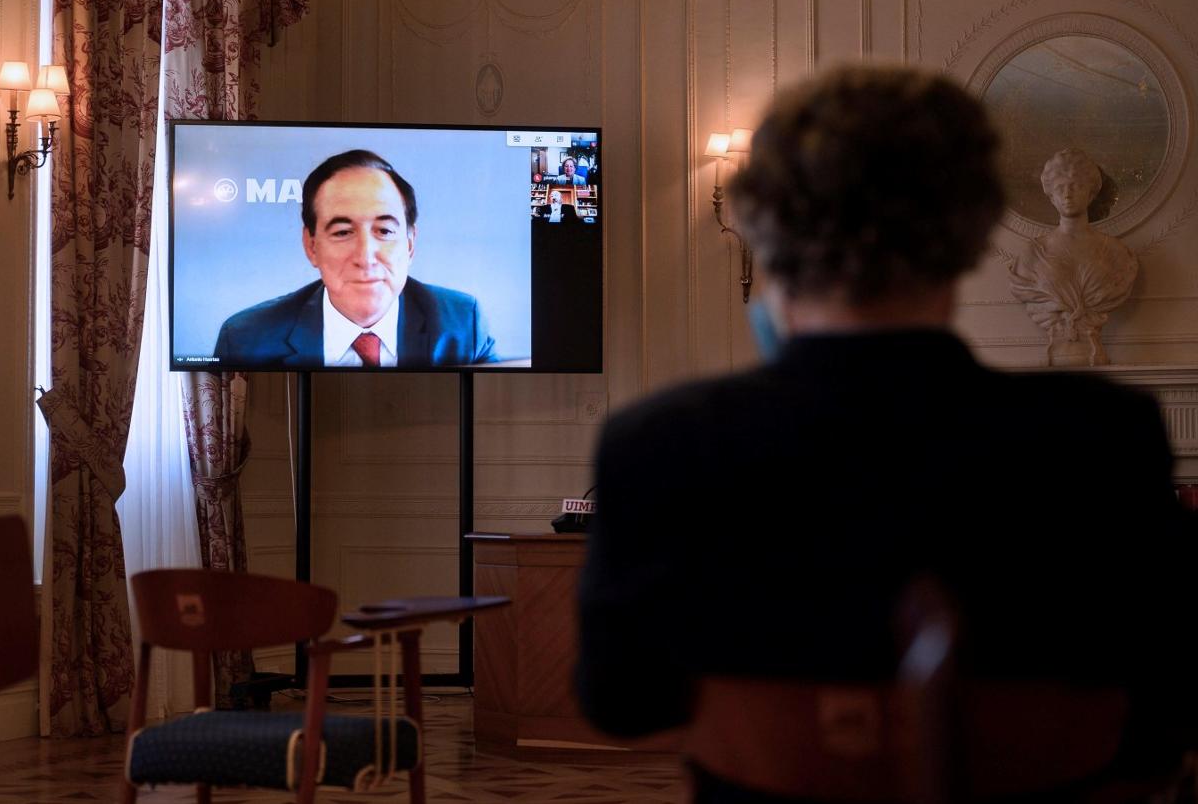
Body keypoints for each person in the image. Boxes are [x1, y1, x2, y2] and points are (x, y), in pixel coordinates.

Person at [576, 65, 1195, 802]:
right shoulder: (1103, 436)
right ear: (971, 233)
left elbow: (622, 701)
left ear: (766, 234)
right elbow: (1172, 703)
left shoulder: (659, 445)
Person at [214, 149, 497, 368]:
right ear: (311, 246)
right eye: (343, 232)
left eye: (384, 231)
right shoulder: (245, 338)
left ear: (410, 244)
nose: (365, 257)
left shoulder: (462, 324)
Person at [1007, 148, 1138, 367]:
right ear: (1051, 195)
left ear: (1091, 193)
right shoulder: (1032, 255)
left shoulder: (1117, 253)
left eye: (1076, 185)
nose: (1067, 194)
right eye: (1060, 187)